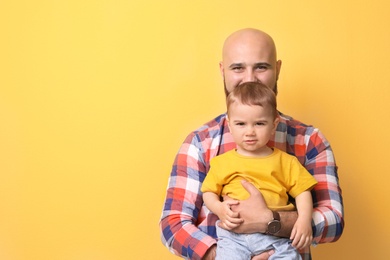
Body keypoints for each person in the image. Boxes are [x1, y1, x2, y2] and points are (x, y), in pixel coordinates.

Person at [160, 28, 344, 260]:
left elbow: (334, 220)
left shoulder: (309, 141)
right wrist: (224, 255)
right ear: (222, 71)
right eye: (237, 67)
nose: (249, 78)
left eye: (261, 67)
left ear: (277, 69)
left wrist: (270, 221)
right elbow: (173, 224)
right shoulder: (199, 143)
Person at [201, 82, 318, 260]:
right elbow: (208, 192)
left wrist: (304, 220)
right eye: (241, 123)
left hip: (275, 237)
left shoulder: (286, 162)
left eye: (259, 123)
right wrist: (219, 208)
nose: (250, 132)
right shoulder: (221, 162)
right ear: (229, 125)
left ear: (274, 124)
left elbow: (303, 192)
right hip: (234, 237)